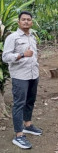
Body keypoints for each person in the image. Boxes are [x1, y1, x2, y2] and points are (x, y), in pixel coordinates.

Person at [2, 11, 42, 149]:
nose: (26, 21)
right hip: (20, 76)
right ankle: (19, 135)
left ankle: (28, 125)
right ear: (19, 22)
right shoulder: (12, 37)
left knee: (30, 101)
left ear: (31, 22)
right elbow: (5, 57)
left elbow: (34, 54)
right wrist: (22, 55)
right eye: (23, 19)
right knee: (19, 104)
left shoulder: (32, 37)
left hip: (33, 74)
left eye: (28, 19)